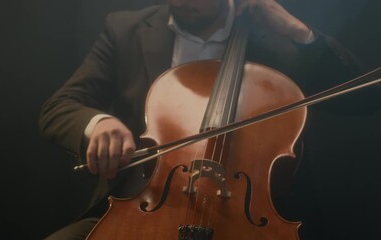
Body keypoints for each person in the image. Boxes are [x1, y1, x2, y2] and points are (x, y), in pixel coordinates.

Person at [39, 0, 379, 239]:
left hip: (247, 217)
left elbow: (364, 98)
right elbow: (62, 104)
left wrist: (298, 33)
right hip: (141, 205)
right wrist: (98, 122)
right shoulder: (125, 28)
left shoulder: (272, 36)